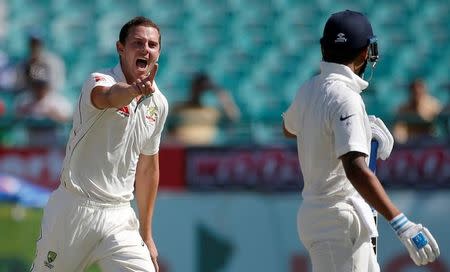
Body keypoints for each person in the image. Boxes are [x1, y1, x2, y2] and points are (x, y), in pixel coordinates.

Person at [282, 10, 440, 272]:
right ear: (366, 52)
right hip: (338, 220)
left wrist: (357, 131)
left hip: (328, 218)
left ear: (324, 47)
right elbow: (355, 169)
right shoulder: (347, 98)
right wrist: (402, 223)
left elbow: (289, 128)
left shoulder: (308, 89)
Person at [31, 16, 168, 272]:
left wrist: (146, 233)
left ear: (158, 51)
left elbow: (148, 169)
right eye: (138, 43)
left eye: (152, 44)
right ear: (121, 49)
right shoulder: (98, 81)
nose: (145, 49)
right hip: (74, 209)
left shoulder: (159, 104)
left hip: (119, 215)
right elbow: (108, 98)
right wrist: (133, 91)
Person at [168, 72, 240, 145]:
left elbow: (233, 117)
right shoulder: (178, 108)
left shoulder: (213, 111)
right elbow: (167, 130)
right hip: (184, 148)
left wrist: (221, 93)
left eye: (203, 88)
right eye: (197, 87)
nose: (200, 91)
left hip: (208, 150)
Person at [15, 62, 73, 146]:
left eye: (41, 85)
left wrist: (53, 114)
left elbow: (68, 119)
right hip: (31, 143)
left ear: (47, 85)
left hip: (52, 144)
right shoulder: (25, 100)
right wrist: (25, 111)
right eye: (36, 85)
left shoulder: (58, 101)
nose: (39, 88)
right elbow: (15, 118)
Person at [15, 28, 66, 93]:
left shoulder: (54, 62)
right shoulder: (23, 64)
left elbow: (58, 86)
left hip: (51, 97)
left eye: (37, 43)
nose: (35, 46)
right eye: (33, 43)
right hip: (30, 98)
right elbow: (18, 86)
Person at [393, 78, 442, 143]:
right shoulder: (404, 108)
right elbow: (398, 128)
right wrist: (400, 137)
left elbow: (440, 125)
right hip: (411, 142)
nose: (417, 94)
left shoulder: (434, 105)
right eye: (414, 91)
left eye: (419, 91)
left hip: (430, 141)